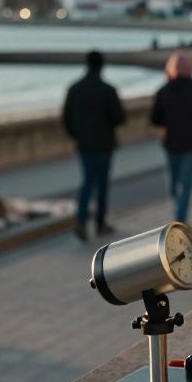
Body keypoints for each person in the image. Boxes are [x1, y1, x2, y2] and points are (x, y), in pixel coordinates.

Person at [62, 50, 125, 241]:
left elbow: (66, 117)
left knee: (87, 182)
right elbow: (119, 117)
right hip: (104, 143)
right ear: (101, 66)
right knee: (102, 183)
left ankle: (81, 221)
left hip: (85, 144)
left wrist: (76, 135)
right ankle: (100, 223)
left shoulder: (75, 89)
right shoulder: (108, 90)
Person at [150, 52, 192, 222]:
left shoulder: (163, 91)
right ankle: (180, 218)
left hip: (171, 143)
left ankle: (178, 215)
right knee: (185, 185)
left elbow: (155, 118)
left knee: (173, 184)